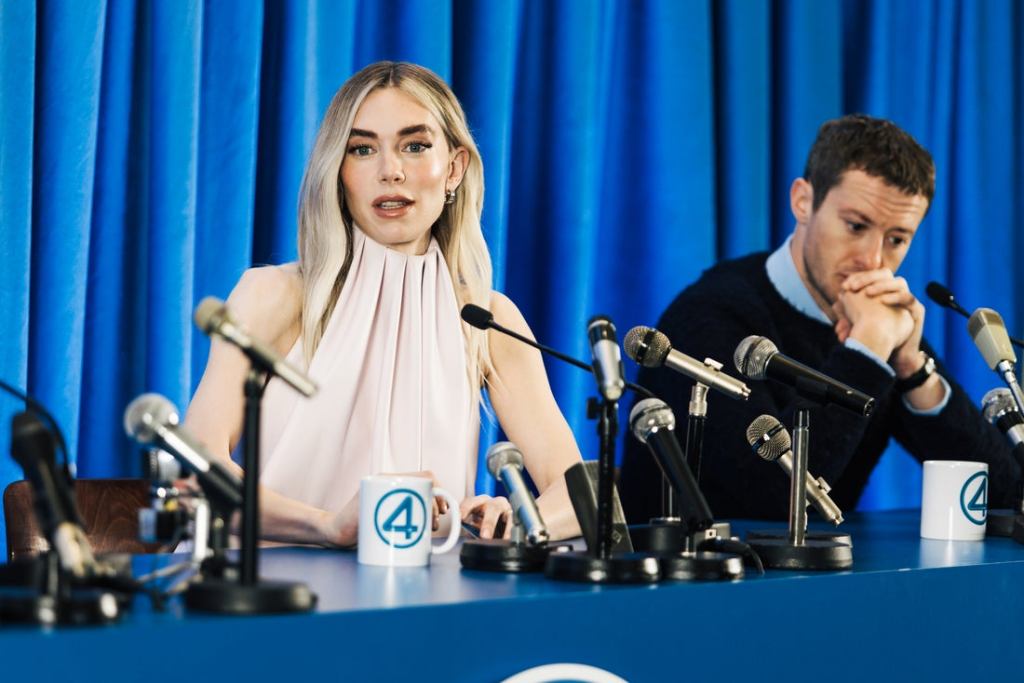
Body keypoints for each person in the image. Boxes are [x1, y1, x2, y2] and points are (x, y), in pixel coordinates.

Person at [185, 61, 582, 545]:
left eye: (415, 146)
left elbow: (582, 494)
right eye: (362, 149)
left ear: (454, 168)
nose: (390, 171)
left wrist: (522, 520)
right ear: (338, 171)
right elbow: (195, 472)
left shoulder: (487, 319)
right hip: (275, 583)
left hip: (429, 588)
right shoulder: (273, 294)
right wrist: (327, 526)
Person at [620, 114, 1020, 523]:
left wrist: (913, 370)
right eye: (855, 226)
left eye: (897, 239)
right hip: (681, 563)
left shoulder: (877, 322)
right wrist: (866, 352)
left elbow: (1009, 497)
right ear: (803, 201)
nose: (873, 260)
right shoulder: (710, 313)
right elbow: (773, 500)